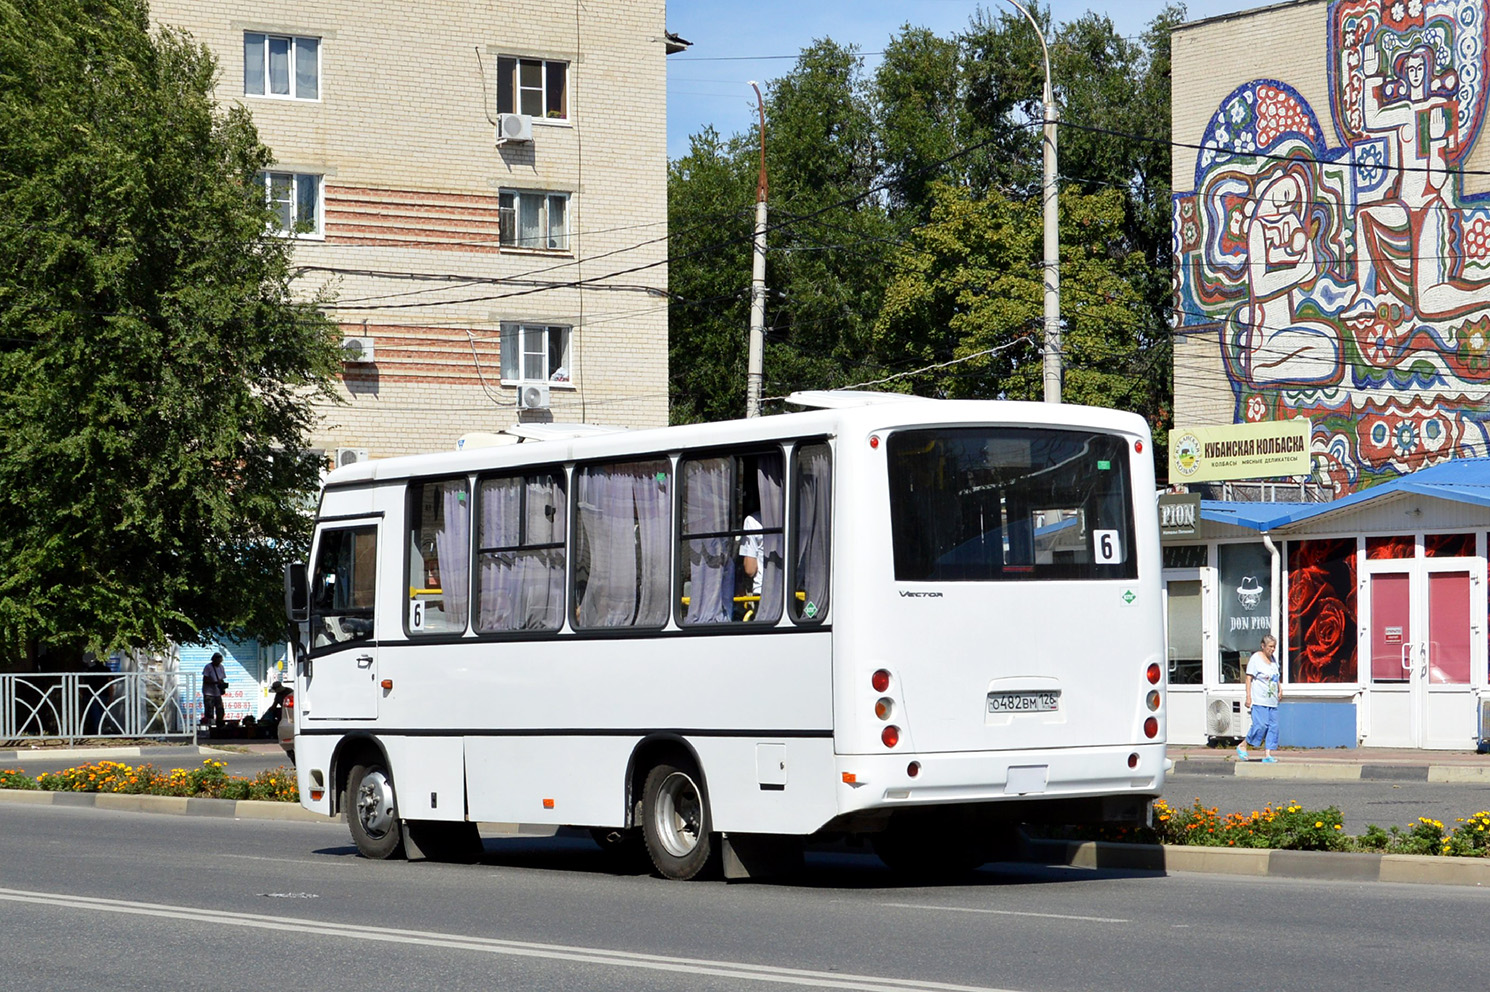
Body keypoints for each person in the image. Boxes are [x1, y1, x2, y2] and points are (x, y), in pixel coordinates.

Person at [1237, 634, 1282, 762]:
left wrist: (1280, 688)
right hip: (1259, 700)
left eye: (1274, 647)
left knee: (1273, 727)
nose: (1272, 649)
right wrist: (1248, 697)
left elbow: (1275, 677)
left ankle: (1268, 754)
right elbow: (1248, 678)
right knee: (1260, 725)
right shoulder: (1256, 659)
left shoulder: (1273, 660)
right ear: (1263, 646)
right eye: (1270, 646)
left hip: (1272, 701)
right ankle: (1243, 745)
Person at [738, 513, 763, 620]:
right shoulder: (802, 514)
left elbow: (750, 569)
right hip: (797, 591)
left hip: (763, 591)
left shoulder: (753, 521)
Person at [200, 652, 228, 730]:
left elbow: (221, 678)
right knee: (209, 710)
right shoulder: (208, 667)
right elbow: (205, 679)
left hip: (217, 692)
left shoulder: (221, 667)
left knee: (220, 709)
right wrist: (215, 682)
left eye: (220, 661)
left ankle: (219, 725)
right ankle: (210, 727)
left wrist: (222, 685)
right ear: (214, 660)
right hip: (209, 692)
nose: (219, 663)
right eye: (218, 661)